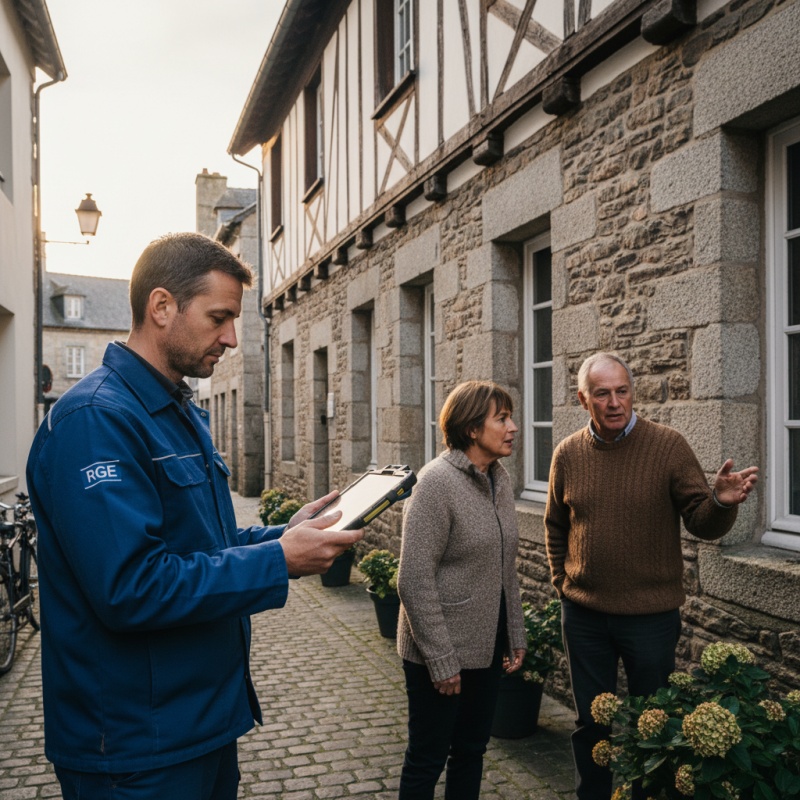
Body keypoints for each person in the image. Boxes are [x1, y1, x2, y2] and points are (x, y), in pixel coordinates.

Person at [26, 232, 363, 800]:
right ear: (162, 306)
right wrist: (278, 561)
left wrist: (285, 534)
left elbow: (201, 543)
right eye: (218, 317)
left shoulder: (174, 409)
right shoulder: (96, 420)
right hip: (136, 747)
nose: (231, 338)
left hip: (198, 726)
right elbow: (131, 588)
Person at [545, 352, 758, 800]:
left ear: (632, 392)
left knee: (654, 727)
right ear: (583, 399)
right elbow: (555, 526)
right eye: (602, 394)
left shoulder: (668, 446)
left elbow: (701, 521)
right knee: (590, 724)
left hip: (651, 619)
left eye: (622, 391)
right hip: (583, 617)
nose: (614, 402)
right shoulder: (567, 454)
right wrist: (562, 583)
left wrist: (720, 502)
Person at [395, 380, 528, 800]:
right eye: (501, 419)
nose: (513, 427)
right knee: (427, 758)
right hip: (438, 651)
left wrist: (515, 633)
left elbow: (505, 567)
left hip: (485, 648)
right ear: (471, 428)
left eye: (510, 418)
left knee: (471, 751)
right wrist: (441, 661)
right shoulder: (435, 483)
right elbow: (413, 579)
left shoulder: (498, 479)